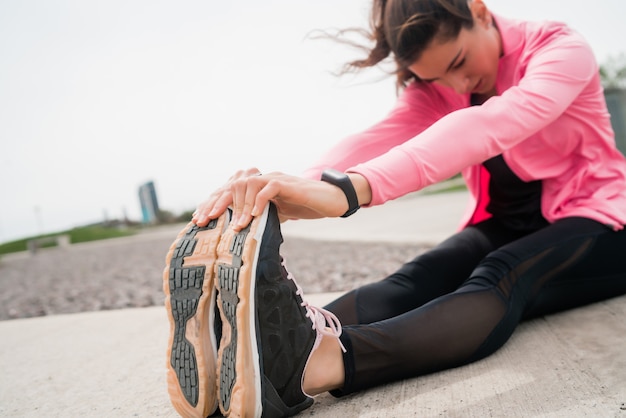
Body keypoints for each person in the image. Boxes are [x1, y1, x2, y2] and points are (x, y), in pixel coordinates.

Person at [163, 0, 626, 417]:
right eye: (436, 78)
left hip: (601, 220)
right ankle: (256, 351)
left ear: (480, 11)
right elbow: (380, 137)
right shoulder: (440, 84)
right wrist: (291, 190)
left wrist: (352, 191)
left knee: (503, 273)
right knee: (416, 276)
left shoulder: (559, 48)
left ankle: (325, 362)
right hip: (507, 220)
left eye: (459, 63)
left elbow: (492, 124)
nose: (456, 84)